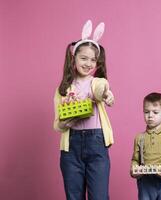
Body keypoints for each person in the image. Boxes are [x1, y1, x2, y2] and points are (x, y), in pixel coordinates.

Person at [53, 20, 114, 200]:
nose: (88, 63)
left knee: (99, 196)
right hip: (70, 147)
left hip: (97, 144)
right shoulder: (63, 89)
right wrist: (66, 122)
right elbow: (57, 125)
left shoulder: (97, 82)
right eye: (84, 58)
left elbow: (102, 89)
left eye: (93, 60)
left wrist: (107, 95)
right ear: (74, 58)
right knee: (73, 196)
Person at [130, 92, 161, 200]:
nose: (150, 116)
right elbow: (135, 160)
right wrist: (134, 170)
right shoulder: (139, 137)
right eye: (146, 112)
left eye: (155, 112)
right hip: (145, 182)